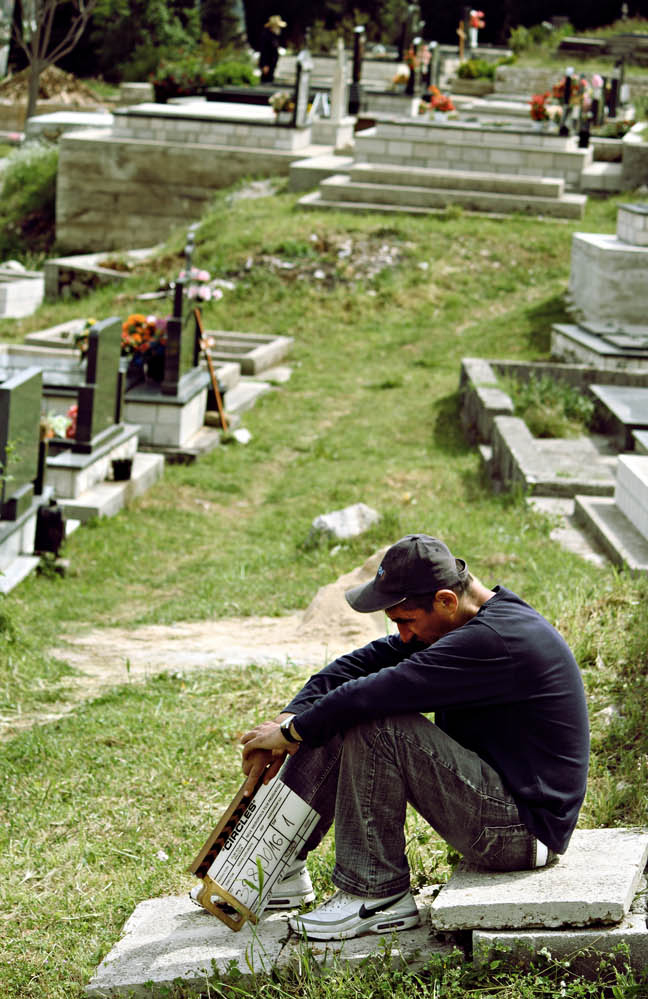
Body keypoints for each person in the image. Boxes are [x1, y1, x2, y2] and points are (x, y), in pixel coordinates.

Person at [240, 534, 590, 941]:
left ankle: (376, 894)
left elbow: (373, 694)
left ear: (445, 601)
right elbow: (359, 665)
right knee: (340, 709)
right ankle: (281, 868)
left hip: (520, 833)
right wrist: (290, 717)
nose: (403, 635)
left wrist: (290, 733)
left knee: (376, 723)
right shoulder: (461, 624)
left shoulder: (493, 640)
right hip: (499, 811)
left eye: (406, 620)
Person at [259, 14, 286, 84]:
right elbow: (264, 51)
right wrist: (264, 64)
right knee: (266, 81)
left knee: (270, 80)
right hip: (267, 65)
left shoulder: (275, 36)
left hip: (272, 65)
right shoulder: (266, 36)